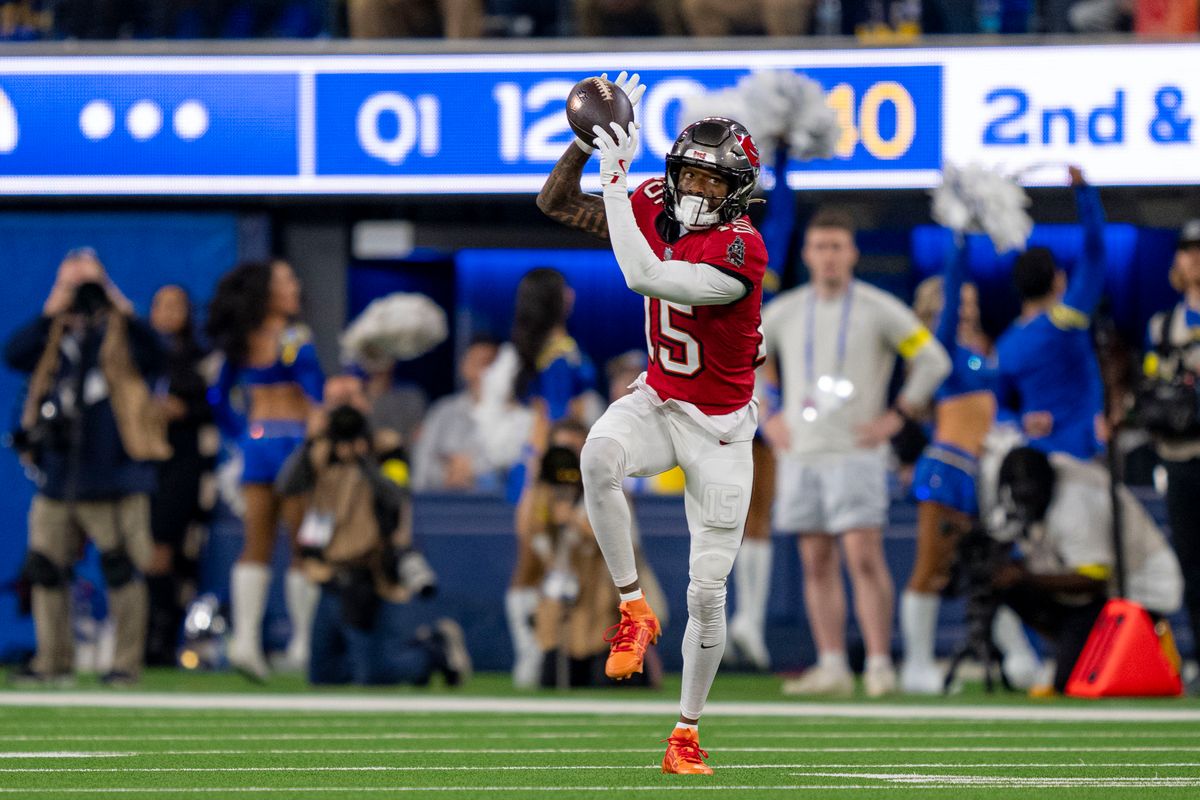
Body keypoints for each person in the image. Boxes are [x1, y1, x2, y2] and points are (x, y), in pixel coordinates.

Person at [538, 69, 766, 774]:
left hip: (722, 429)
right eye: (689, 177)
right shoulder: (646, 197)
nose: (697, 192)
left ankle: (686, 732)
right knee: (596, 458)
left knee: (706, 592)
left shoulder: (740, 249)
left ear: (738, 192)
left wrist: (613, 180)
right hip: (661, 399)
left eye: (712, 182)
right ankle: (633, 607)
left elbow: (643, 276)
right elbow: (552, 201)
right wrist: (591, 143)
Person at [761, 210, 951, 698]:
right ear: (807, 255)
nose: (828, 256)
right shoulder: (784, 311)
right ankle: (832, 664)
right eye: (820, 247)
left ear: (853, 254)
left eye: (837, 247)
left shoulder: (878, 307)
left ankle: (880, 663)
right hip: (801, 452)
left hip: (856, 451)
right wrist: (768, 415)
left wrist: (898, 415)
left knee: (863, 557)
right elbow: (746, 362)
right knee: (815, 560)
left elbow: (933, 359)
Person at [5, 248, 167, 686]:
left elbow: (158, 356)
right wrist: (52, 308)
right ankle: (52, 660)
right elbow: (14, 354)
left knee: (122, 568)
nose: (81, 296)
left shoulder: (121, 330)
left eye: (86, 285)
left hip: (115, 472)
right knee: (45, 567)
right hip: (59, 474)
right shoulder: (55, 333)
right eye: (72, 284)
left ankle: (124, 664)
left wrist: (114, 301)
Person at [275, 374, 470, 687]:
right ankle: (409, 651)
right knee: (321, 676)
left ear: (366, 402)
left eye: (350, 400)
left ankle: (432, 652)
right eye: (336, 402)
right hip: (327, 575)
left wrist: (364, 460)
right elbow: (285, 486)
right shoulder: (321, 450)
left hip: (368, 575)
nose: (345, 410)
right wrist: (310, 442)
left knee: (374, 676)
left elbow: (397, 493)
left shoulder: (386, 446)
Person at [206, 259, 324, 681]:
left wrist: (242, 436)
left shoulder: (242, 341)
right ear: (269, 291)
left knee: (255, 542)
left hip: (256, 445)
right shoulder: (294, 336)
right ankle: (303, 644)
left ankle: (247, 641)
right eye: (287, 280)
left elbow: (217, 398)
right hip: (292, 442)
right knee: (301, 544)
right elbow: (314, 395)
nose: (295, 286)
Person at [991, 446, 1183, 693]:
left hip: (1136, 593)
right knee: (1010, 586)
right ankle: (1053, 652)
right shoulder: (1036, 487)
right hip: (1092, 597)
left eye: (1030, 497)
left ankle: (1079, 654)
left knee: (1069, 682)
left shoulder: (1076, 501)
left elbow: (1094, 579)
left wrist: (1026, 576)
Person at [899, 237, 999, 693]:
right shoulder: (939, 351)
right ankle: (916, 665)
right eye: (961, 302)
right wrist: (957, 242)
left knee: (987, 568)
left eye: (974, 302)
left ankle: (1015, 658)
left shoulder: (981, 348)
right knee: (932, 568)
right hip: (946, 470)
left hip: (981, 475)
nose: (968, 310)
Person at [995, 166, 1107, 462]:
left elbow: (995, 406)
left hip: (1036, 463)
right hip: (1083, 456)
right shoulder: (1064, 322)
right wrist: (1085, 192)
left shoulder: (1005, 347)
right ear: (1058, 281)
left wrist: (1020, 421)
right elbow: (1095, 254)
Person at [1142, 218, 1200, 686]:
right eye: (1188, 250)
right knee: (1191, 562)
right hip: (1179, 455)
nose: (1195, 257)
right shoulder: (1163, 325)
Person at [144, 285, 213, 667]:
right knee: (143, 552)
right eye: (161, 304)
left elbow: (219, 406)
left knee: (166, 549)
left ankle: (163, 638)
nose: (168, 312)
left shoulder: (201, 358)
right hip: (141, 462)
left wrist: (183, 409)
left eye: (176, 305)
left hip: (180, 462)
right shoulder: (139, 356)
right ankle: (143, 635)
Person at [411, 335, 502, 492]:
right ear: (464, 367)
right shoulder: (442, 412)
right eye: (477, 364)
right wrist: (448, 474)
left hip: (494, 509)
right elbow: (422, 465)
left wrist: (473, 469)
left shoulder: (515, 417)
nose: (484, 373)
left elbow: (514, 468)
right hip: (442, 507)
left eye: (490, 365)